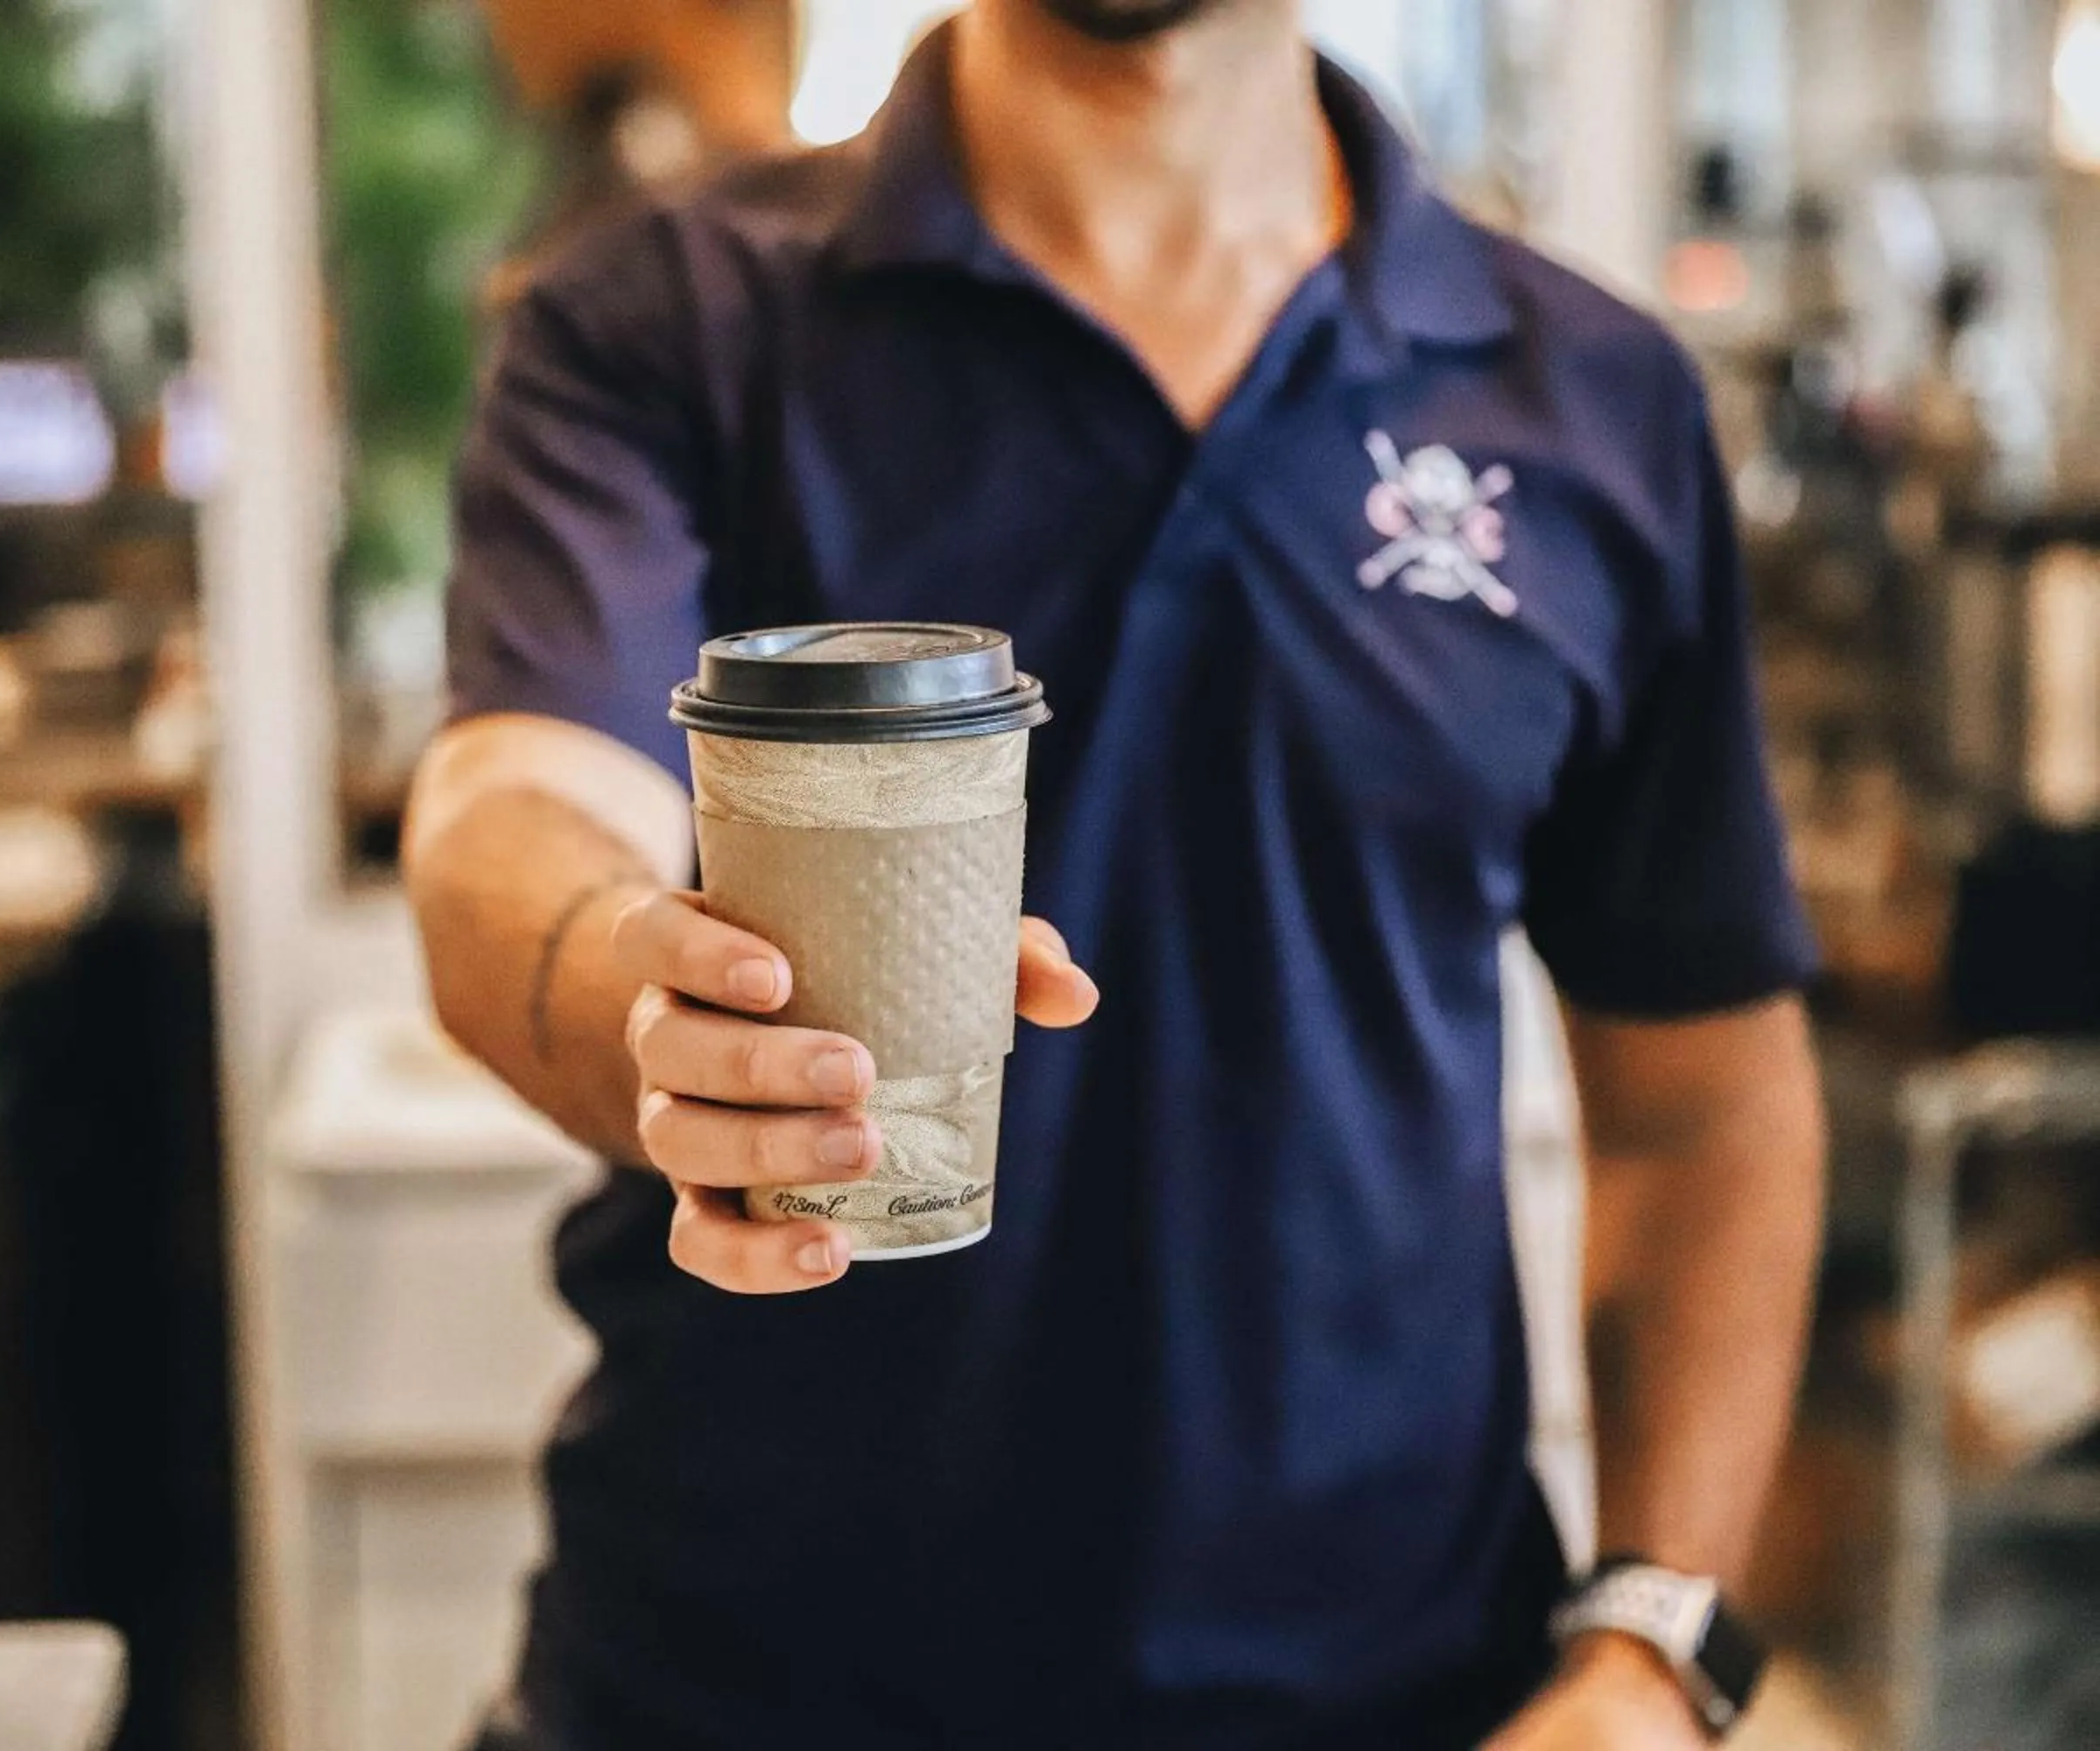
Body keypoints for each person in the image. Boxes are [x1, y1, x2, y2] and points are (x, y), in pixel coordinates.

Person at [404, 2, 1827, 1746]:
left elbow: (1703, 1097)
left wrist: (1650, 1645)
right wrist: (643, 996)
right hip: (734, 1689)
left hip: (1393, 1698)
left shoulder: (1588, 399)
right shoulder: (658, 326)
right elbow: (510, 810)